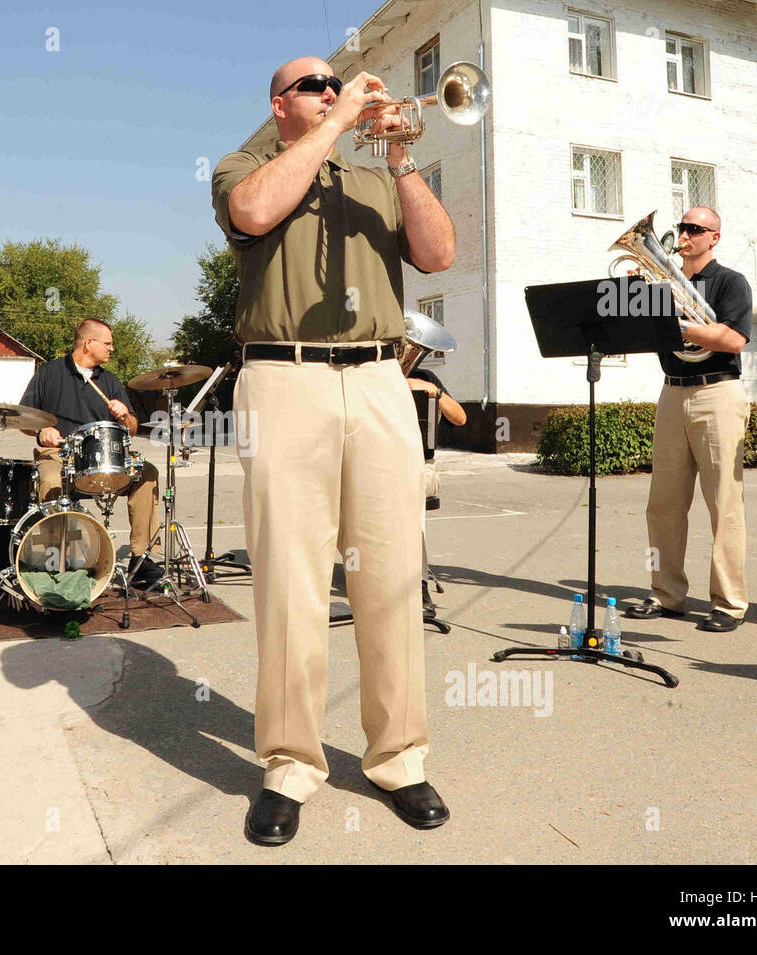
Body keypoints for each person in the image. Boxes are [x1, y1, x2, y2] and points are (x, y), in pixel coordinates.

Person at [212, 55, 455, 846]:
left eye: (334, 85)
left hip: (382, 376)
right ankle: (289, 764)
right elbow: (253, 213)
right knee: (291, 579)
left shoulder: (375, 179)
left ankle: (400, 758)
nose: (330, 92)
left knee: (391, 573)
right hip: (285, 377)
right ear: (281, 102)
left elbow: (440, 253)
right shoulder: (245, 164)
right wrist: (341, 121)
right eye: (314, 86)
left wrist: (402, 158)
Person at [625, 206, 751, 633]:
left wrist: (679, 327)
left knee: (724, 505)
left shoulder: (730, 282)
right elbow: (637, 329)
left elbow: (733, 338)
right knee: (662, 504)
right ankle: (666, 594)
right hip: (672, 392)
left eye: (695, 229)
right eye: (682, 227)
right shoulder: (660, 284)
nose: (684, 234)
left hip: (717, 391)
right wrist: (634, 301)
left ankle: (729, 603)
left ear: (714, 237)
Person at [19, 318, 163, 589]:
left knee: (148, 474)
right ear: (89, 343)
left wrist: (124, 417)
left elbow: (131, 428)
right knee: (49, 480)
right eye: (107, 343)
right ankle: (57, 561)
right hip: (59, 455)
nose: (112, 348)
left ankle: (141, 558)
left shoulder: (109, 381)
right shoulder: (49, 374)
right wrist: (41, 433)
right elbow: (24, 419)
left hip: (105, 456)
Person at [407, 359, 466, 619]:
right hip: (373, 463)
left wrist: (433, 389)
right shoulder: (367, 373)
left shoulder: (425, 375)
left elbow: (460, 418)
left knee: (410, 486)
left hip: (420, 465)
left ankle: (419, 587)